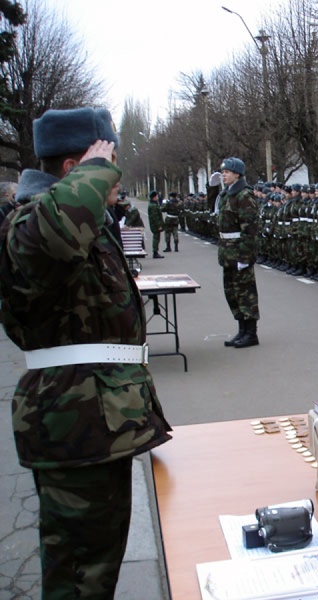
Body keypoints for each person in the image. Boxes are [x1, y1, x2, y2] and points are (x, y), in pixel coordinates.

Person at [0, 107, 172, 597]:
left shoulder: (81, 222)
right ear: (76, 170)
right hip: (74, 425)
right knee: (79, 578)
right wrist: (96, 172)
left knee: (98, 565)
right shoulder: (28, 222)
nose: (115, 176)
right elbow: (51, 237)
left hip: (98, 424)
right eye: (108, 163)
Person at [208, 158, 261, 348]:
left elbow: (250, 229)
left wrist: (245, 256)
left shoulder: (244, 195)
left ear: (237, 174)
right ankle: (242, 329)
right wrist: (211, 189)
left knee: (245, 293)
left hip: (239, 251)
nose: (223, 175)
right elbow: (213, 211)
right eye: (223, 172)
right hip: (227, 251)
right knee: (232, 293)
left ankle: (251, 333)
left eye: (227, 172)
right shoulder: (226, 194)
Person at [148, 190, 165, 258]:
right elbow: (155, 217)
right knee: (156, 238)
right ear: (154, 197)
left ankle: (155, 251)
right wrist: (159, 226)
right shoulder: (153, 206)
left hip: (154, 225)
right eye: (157, 196)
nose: (158, 197)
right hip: (155, 225)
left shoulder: (154, 204)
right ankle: (155, 252)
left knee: (157, 238)